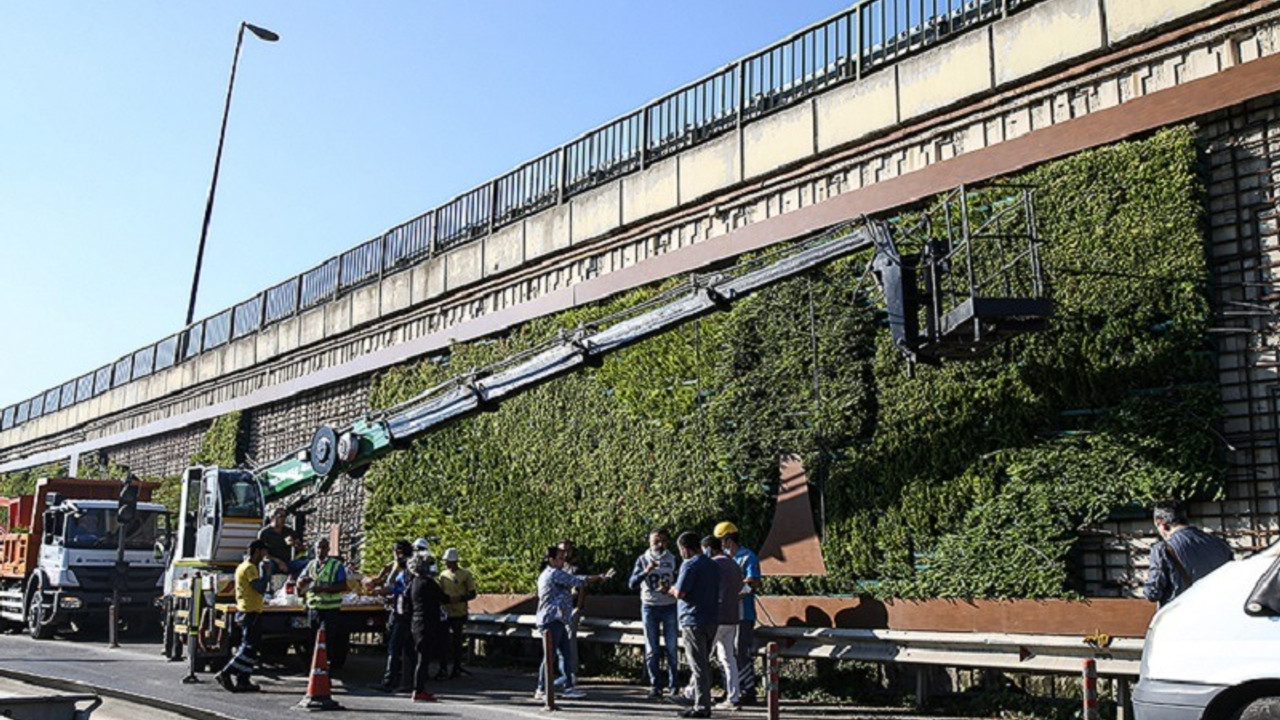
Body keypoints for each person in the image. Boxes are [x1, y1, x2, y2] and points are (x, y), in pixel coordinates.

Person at [535, 544, 613, 701]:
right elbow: (577, 580)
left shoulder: (555, 573)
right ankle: (542, 688)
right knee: (550, 656)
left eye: (564, 558)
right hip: (551, 620)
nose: (563, 561)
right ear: (551, 560)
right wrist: (599, 577)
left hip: (559, 619)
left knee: (565, 653)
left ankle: (568, 687)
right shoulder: (553, 574)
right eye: (560, 558)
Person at [668, 531, 719, 719]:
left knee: (698, 665)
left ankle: (701, 706)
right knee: (704, 663)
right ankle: (704, 702)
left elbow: (681, 592)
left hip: (693, 619)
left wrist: (670, 589)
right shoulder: (712, 565)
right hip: (711, 618)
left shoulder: (689, 565)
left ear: (684, 548)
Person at [1143, 501, 1233, 606]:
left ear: (1162, 524)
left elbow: (1152, 593)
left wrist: (1147, 580)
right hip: (1218, 612)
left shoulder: (1162, 549)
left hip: (1182, 614)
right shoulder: (1219, 543)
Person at [629, 528, 680, 699]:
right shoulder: (643, 559)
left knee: (672, 648)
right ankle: (655, 685)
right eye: (655, 541)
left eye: (662, 540)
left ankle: (674, 686)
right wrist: (646, 571)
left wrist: (671, 589)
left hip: (669, 606)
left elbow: (681, 580)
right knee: (652, 649)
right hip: (649, 606)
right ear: (650, 542)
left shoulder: (673, 559)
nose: (659, 544)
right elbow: (632, 584)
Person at [214, 540, 272, 693]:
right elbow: (259, 588)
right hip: (249, 611)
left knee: (252, 647)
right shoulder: (250, 568)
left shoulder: (246, 566)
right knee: (249, 647)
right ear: (257, 551)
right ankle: (226, 672)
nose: (265, 555)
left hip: (251, 610)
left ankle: (243, 679)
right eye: (264, 552)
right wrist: (266, 573)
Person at [715, 521, 761, 705]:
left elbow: (754, 581)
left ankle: (748, 690)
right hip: (726, 613)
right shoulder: (723, 558)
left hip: (744, 613)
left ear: (727, 540)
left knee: (741, 652)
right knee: (725, 653)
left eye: (720, 540)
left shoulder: (748, 557)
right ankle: (730, 689)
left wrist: (741, 588)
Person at [703, 535, 743, 710]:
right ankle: (734, 695)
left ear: (709, 549)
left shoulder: (713, 565)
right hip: (732, 617)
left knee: (703, 655)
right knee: (728, 658)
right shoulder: (734, 564)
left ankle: (693, 692)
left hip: (715, 617)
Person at [297, 538, 350, 670]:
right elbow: (300, 581)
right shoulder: (311, 565)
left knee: (328, 640)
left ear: (328, 550)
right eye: (318, 548)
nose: (320, 551)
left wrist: (323, 588)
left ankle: (327, 667)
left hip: (331, 608)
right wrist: (301, 582)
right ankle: (314, 667)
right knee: (312, 639)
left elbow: (342, 585)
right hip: (314, 608)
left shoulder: (336, 565)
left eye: (323, 548)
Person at [372, 540, 414, 693]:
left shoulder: (408, 570)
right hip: (400, 610)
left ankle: (389, 681)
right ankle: (408, 682)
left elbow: (402, 589)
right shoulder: (402, 568)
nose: (396, 555)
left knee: (394, 647)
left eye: (399, 551)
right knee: (407, 648)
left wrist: (384, 591)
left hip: (404, 613)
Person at [404, 553, 446, 703]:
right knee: (423, 659)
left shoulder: (413, 583)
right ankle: (418, 690)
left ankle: (418, 688)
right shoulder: (428, 583)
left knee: (420, 657)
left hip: (415, 623)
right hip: (427, 623)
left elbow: (406, 605)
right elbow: (444, 597)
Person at [438, 547, 477, 679]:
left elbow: (472, 593)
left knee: (457, 642)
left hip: (459, 613)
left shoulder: (465, 574)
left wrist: (459, 598)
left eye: (448, 561)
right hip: (446, 612)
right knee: (443, 642)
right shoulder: (443, 575)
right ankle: (443, 668)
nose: (446, 563)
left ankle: (456, 668)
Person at [259, 508, 306, 575]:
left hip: (287, 563)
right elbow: (263, 554)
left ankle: (293, 582)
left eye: (285, 516)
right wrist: (279, 562)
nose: (284, 519)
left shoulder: (289, 531)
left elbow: (302, 549)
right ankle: (265, 584)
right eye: (280, 516)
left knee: (305, 563)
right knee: (266, 564)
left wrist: (294, 544)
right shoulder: (264, 533)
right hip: (273, 562)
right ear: (272, 517)